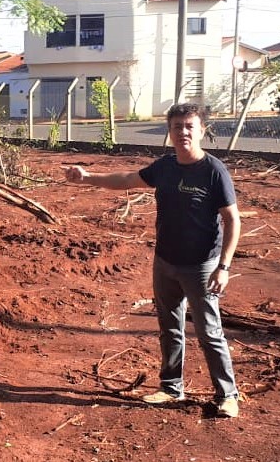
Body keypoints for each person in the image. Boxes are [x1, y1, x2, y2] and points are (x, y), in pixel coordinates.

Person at [64, 103, 241, 418]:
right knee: (169, 327)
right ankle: (171, 387)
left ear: (202, 130)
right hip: (165, 263)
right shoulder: (166, 166)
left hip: (201, 267)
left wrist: (224, 266)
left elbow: (232, 220)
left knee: (208, 331)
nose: (183, 132)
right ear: (169, 132)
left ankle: (227, 395)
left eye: (189, 126)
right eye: (176, 127)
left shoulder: (214, 171)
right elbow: (128, 179)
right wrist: (87, 177)